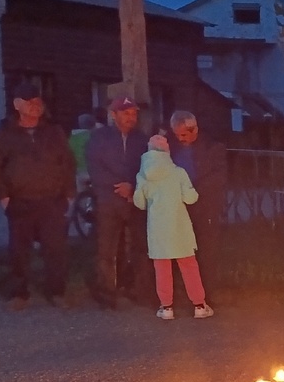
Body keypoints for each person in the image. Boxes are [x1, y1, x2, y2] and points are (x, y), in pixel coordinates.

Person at [0, 82, 76, 310]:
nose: (36, 106)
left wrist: (69, 194)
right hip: (20, 202)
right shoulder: (4, 134)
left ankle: (57, 291)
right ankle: (19, 293)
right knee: (19, 251)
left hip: (51, 201)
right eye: (30, 102)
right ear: (17, 105)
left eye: (38, 101)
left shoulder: (54, 132)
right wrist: (4, 197)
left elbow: (67, 163)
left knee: (55, 249)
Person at [132, 133, 213, 320]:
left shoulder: (143, 175)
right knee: (189, 265)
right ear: (167, 151)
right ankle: (199, 305)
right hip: (179, 226)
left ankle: (166, 307)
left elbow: (139, 203)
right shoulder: (178, 172)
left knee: (162, 267)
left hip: (157, 228)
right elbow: (190, 198)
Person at [86, 96, 150, 308]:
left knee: (140, 246)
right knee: (107, 248)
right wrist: (118, 186)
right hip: (108, 200)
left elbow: (148, 167)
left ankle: (138, 290)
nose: (131, 117)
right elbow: (95, 168)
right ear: (113, 115)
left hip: (135, 200)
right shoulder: (99, 138)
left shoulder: (142, 139)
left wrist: (132, 185)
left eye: (133, 114)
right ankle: (106, 293)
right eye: (125, 113)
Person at [167, 110, 226, 300]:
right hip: (179, 207)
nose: (180, 139)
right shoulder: (171, 147)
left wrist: (192, 191)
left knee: (206, 250)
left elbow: (219, 177)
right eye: (177, 134)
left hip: (204, 206)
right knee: (180, 251)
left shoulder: (212, 147)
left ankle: (207, 293)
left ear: (195, 130)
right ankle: (183, 292)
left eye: (183, 134)